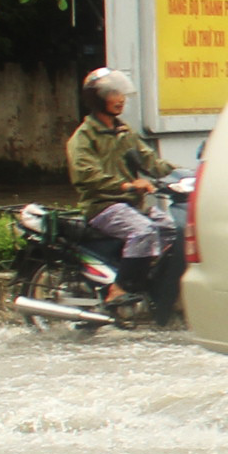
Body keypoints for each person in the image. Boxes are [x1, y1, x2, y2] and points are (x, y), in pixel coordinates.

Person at [66, 67, 175, 310]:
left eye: (121, 93)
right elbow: (86, 174)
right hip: (103, 206)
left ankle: (150, 285)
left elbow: (151, 162)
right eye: (113, 93)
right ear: (97, 99)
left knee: (171, 230)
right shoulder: (84, 137)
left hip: (131, 205)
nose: (120, 99)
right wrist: (126, 185)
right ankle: (120, 289)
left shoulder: (125, 133)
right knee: (143, 232)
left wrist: (185, 174)